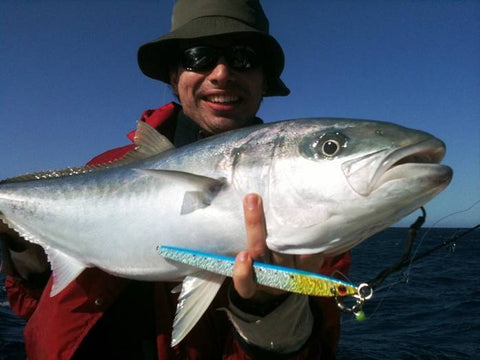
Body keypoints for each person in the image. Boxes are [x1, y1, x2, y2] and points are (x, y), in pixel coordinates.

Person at [0, 1, 351, 359]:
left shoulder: (313, 230)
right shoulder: (104, 168)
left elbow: (317, 350)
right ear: (173, 76)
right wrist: (22, 250)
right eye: (199, 56)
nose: (220, 74)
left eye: (243, 57)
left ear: (264, 81)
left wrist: (270, 311)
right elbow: (34, 304)